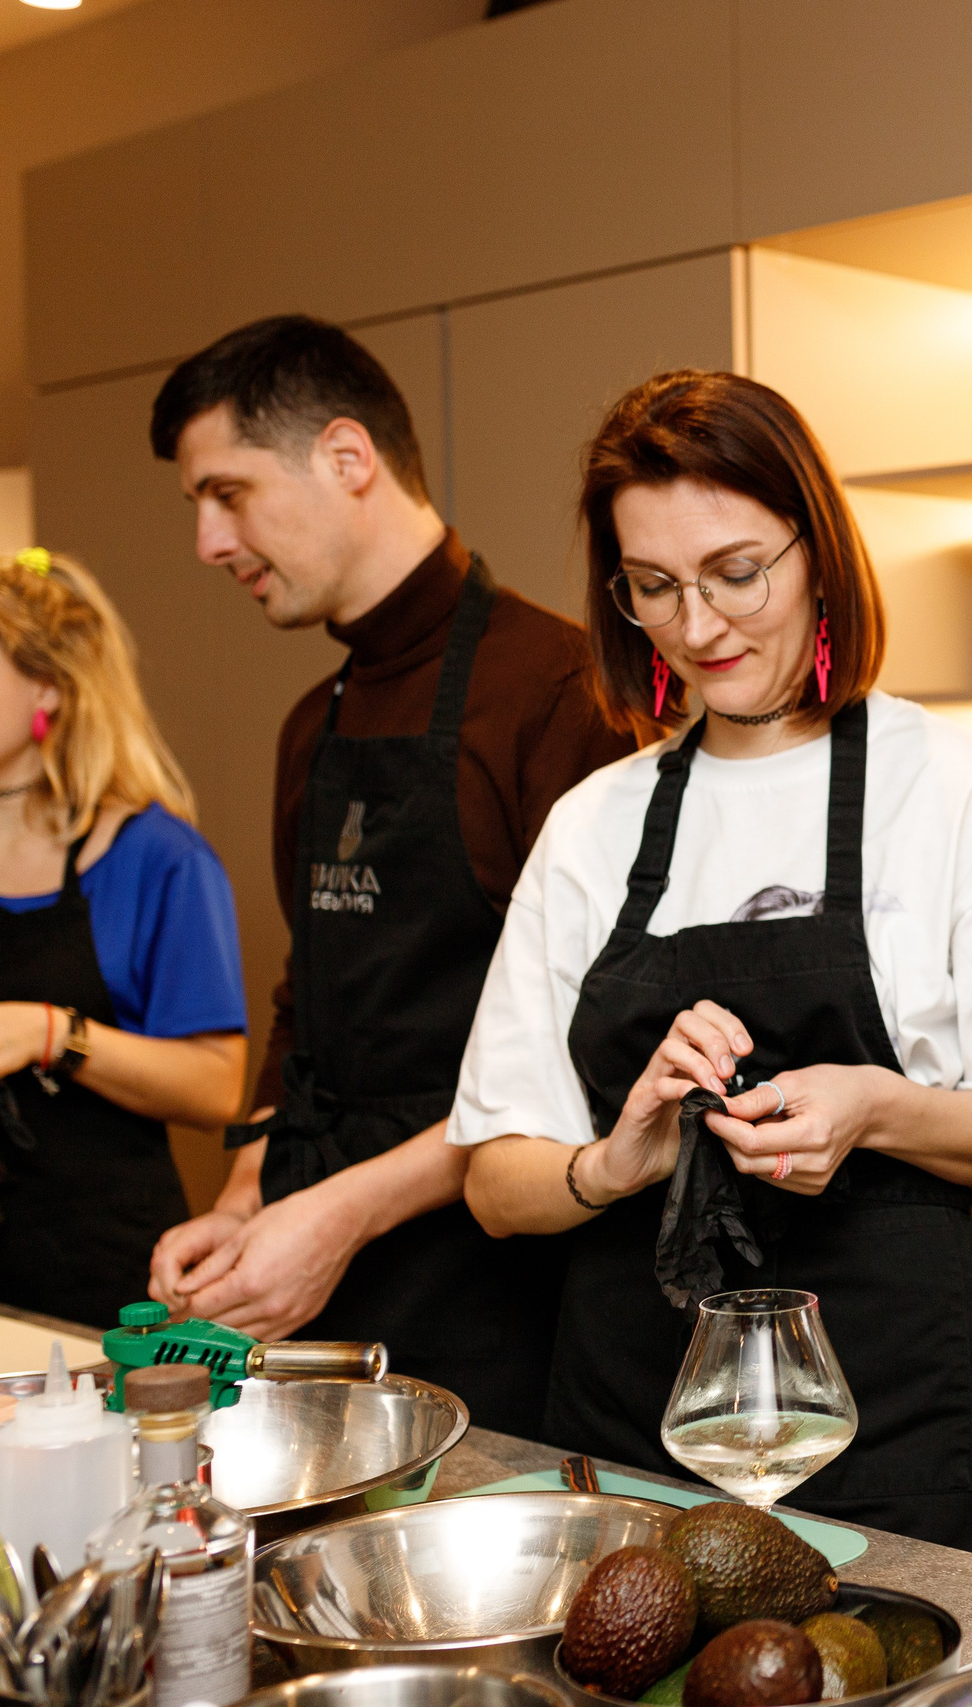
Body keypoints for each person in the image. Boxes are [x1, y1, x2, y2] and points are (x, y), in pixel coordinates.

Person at [452, 370, 972, 1561]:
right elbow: (494, 1179)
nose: (699, 627)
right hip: (637, 1428)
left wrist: (871, 1108)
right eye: (653, 589)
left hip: (897, 1435)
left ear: (816, 549)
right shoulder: (596, 822)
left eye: (734, 574)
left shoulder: (951, 787)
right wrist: (614, 1161)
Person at [144, 315, 633, 1432]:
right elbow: (303, 1005)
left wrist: (339, 1214)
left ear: (347, 458)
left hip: (501, 1276)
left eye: (229, 494)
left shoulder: (560, 691)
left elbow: (584, 1039)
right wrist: (248, 1191)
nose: (210, 544)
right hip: (324, 1260)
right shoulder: (307, 724)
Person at [0, 548, 246, 1327]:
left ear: (48, 686)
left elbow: (214, 1086)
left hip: (90, 1302)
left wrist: (51, 1032)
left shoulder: (157, 857)